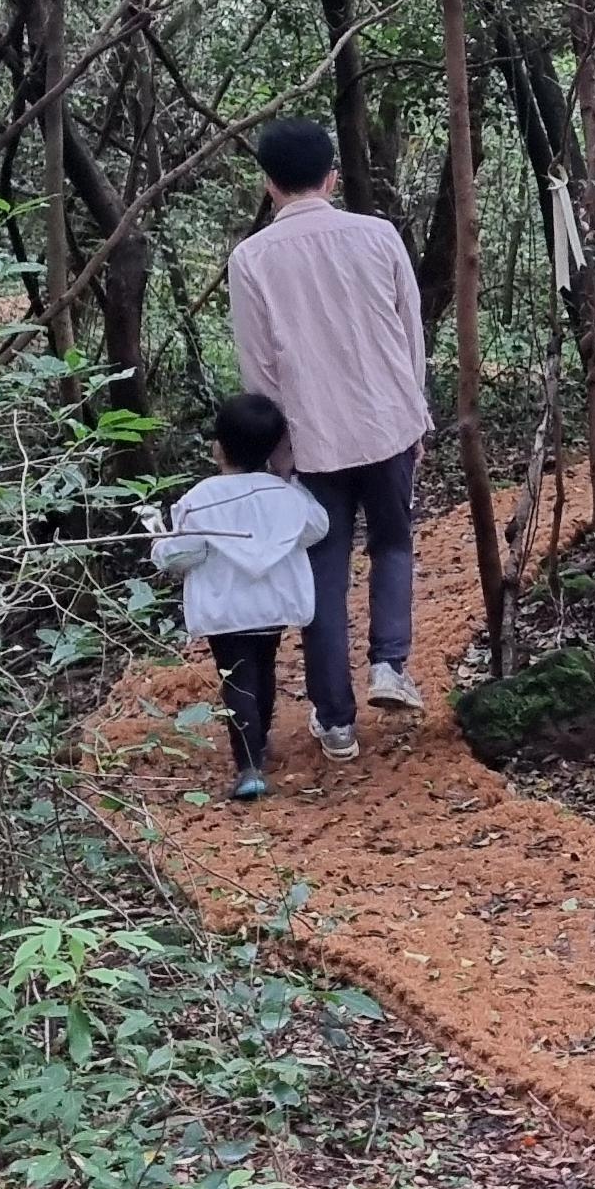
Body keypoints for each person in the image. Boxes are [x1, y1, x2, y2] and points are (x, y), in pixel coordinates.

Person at [227, 117, 430, 760]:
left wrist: (277, 455)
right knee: (394, 544)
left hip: (311, 441)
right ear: (332, 177)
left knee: (324, 575)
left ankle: (336, 721)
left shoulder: (252, 257)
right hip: (388, 423)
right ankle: (390, 666)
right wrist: (415, 413)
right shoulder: (378, 236)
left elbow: (258, 369)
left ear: (267, 183)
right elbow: (409, 333)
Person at [150, 393, 327, 802]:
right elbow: (317, 528)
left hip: (226, 608)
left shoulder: (201, 498)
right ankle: (259, 741)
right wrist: (292, 482)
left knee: (237, 679)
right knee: (263, 669)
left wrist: (159, 543)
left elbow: (184, 553)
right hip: (274, 605)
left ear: (218, 446)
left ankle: (248, 765)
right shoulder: (286, 496)